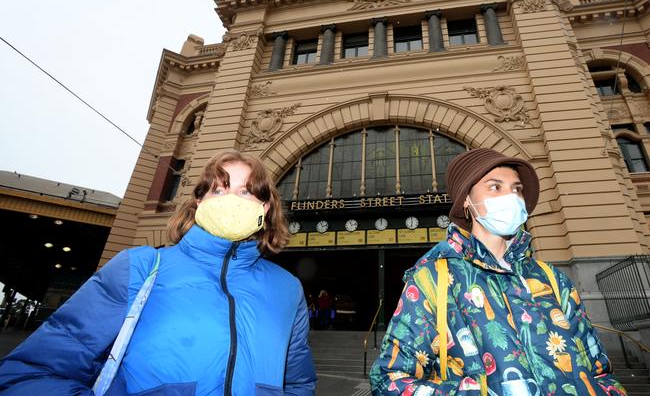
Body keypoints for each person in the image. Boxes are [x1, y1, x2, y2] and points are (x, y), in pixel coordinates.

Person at [0, 150, 317, 395]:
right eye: (219, 191)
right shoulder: (139, 266)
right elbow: (30, 371)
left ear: (264, 208)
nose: (232, 200)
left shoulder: (287, 289)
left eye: (246, 192)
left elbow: (298, 383)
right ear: (198, 202)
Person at [370, 148, 626, 395]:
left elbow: (599, 371)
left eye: (517, 189)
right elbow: (390, 379)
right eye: (495, 187)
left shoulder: (551, 278)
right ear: (467, 201)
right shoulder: (433, 278)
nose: (512, 197)